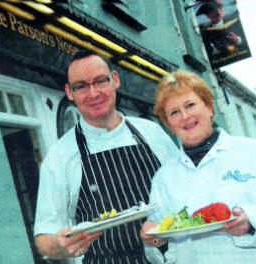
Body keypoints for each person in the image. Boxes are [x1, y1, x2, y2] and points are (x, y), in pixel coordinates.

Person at [140, 70, 256, 264]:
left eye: (190, 105)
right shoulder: (164, 178)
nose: (185, 116)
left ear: (209, 107)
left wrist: (251, 223)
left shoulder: (255, 153)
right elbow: (159, 251)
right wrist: (156, 241)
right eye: (174, 112)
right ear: (168, 124)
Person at [34, 50, 179, 264]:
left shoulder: (152, 133)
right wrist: (60, 246)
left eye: (100, 81)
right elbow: (44, 236)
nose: (93, 94)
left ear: (115, 80)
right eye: (81, 86)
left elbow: (186, 191)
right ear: (70, 92)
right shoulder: (60, 156)